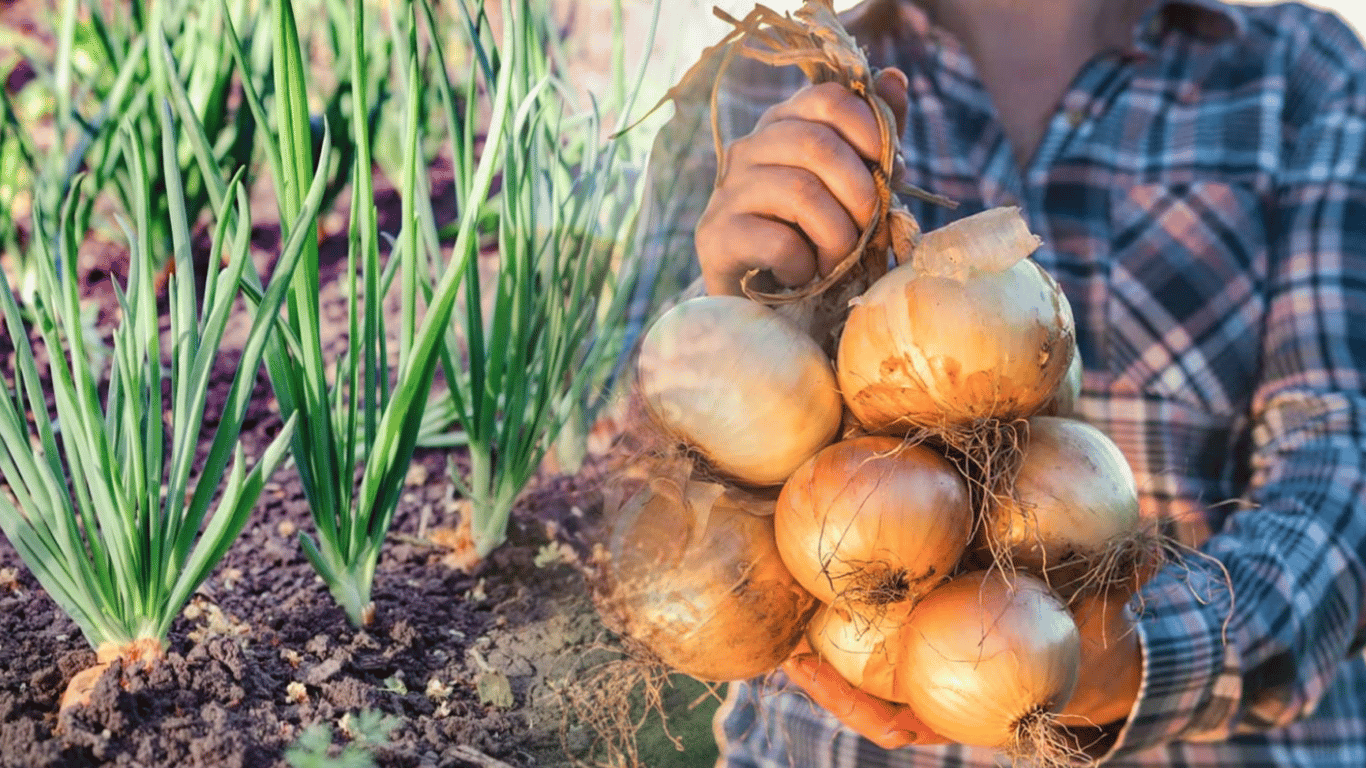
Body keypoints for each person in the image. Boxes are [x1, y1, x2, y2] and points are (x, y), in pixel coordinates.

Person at [632, 0, 1366, 765]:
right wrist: (731, 320)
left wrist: (1128, 660)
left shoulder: (1299, 76)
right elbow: (596, 473)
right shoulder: (753, 80)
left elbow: (1342, 474)